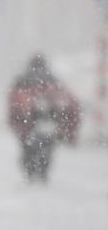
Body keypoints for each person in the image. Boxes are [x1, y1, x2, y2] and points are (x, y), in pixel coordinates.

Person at [8, 54, 80, 182]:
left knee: (28, 147)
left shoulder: (22, 81)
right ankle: (42, 172)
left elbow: (14, 105)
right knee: (46, 147)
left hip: (30, 123)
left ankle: (30, 172)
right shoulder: (53, 81)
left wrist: (16, 122)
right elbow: (69, 104)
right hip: (47, 121)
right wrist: (69, 130)